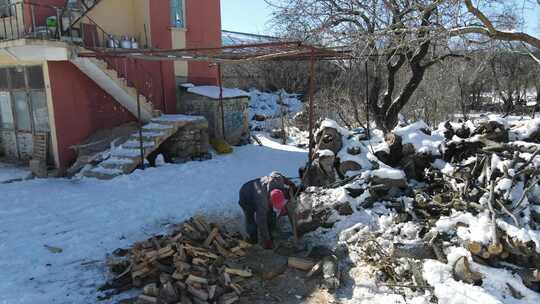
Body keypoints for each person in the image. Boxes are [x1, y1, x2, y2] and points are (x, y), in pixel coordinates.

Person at [238, 172, 297, 249]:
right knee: (250, 218)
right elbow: (261, 222)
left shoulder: (278, 180)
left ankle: (271, 231)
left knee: (271, 213)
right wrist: (267, 241)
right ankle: (253, 239)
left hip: (260, 189)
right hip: (246, 196)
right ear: (269, 200)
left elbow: (276, 173)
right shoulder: (262, 202)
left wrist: (291, 183)